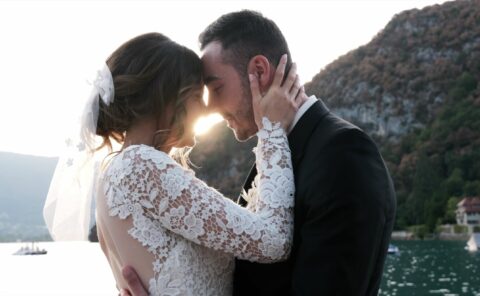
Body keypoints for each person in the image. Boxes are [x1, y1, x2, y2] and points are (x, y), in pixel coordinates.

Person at [121, 10, 396, 296]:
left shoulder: (343, 156)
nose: (210, 108)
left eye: (216, 88)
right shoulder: (274, 153)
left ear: (259, 72)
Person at [44, 32, 306, 295]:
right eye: (196, 96)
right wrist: (272, 130)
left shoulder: (112, 174)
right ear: (167, 99)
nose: (205, 111)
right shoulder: (140, 166)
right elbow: (273, 241)